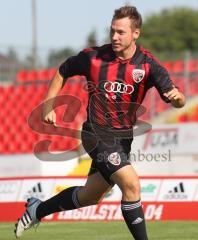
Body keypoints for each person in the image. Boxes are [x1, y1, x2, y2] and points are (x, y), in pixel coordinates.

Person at [15, 5, 186, 240]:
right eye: (112, 31)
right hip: (95, 134)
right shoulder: (93, 57)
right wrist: (48, 105)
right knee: (132, 185)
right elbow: (62, 71)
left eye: (121, 32)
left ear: (136, 33)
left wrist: (177, 99)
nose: (114, 37)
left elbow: (177, 98)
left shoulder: (148, 65)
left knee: (90, 196)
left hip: (123, 138)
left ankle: (37, 209)